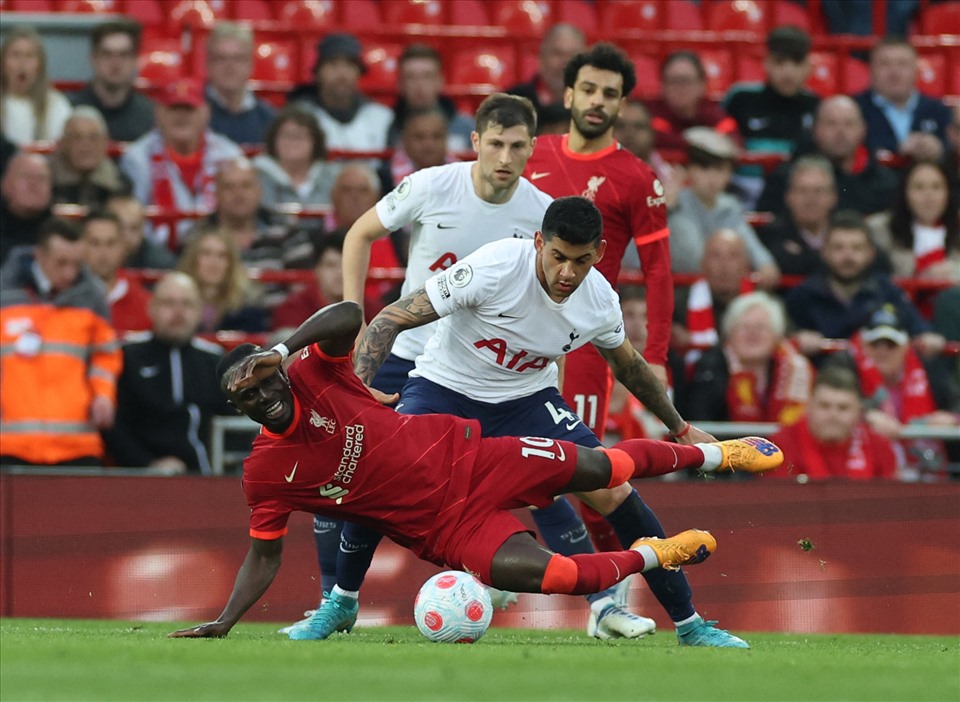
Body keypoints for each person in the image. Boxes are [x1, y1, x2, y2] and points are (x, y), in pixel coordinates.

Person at [167, 298, 783, 640]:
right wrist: (223, 622)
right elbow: (265, 554)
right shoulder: (264, 474)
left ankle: (718, 453)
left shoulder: (312, 372)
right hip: (445, 532)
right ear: (239, 410)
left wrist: (278, 350)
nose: (261, 399)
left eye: (262, 383)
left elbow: (350, 313)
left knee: (602, 468)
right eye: (246, 399)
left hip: (472, 459)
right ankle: (660, 554)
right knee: (560, 575)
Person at [331, 196, 760, 649]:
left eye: (581, 260)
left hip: (526, 400)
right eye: (557, 257)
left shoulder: (598, 300)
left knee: (612, 487)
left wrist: (679, 428)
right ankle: (340, 601)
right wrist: (356, 393)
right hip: (446, 389)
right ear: (539, 243)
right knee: (380, 471)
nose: (567, 273)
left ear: (599, 253)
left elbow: (629, 366)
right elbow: (390, 319)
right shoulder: (494, 266)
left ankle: (690, 624)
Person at [294, 93, 569, 638]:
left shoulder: (542, 212)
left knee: (550, 475)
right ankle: (334, 599)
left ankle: (602, 601)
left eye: (517, 146)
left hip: (492, 374)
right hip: (408, 357)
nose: (505, 157)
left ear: (533, 149)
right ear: (475, 143)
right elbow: (359, 234)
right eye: (495, 143)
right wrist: (354, 318)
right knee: (348, 469)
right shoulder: (430, 185)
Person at [0, 218, 121, 466]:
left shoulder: (91, 298)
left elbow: (105, 355)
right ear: (39, 256)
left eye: (76, 264)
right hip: (11, 443)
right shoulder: (5, 296)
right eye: (61, 263)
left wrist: (104, 396)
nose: (69, 273)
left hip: (76, 444)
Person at [103, 272, 232, 474]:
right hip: (138, 477)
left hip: (207, 477)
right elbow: (115, 426)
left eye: (187, 304)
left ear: (199, 311)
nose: (178, 312)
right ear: (151, 309)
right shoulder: (128, 356)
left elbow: (231, 425)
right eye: (169, 303)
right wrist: (148, 465)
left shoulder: (215, 361)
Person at [785, 211, 946, 360]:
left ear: (871, 253)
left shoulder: (887, 292)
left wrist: (928, 337)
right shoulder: (802, 295)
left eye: (857, 248)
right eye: (838, 248)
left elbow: (920, 329)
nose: (848, 256)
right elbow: (783, 340)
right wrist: (797, 339)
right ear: (824, 252)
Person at [825, 304, 959, 480]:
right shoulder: (844, 365)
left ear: (906, 347)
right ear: (863, 344)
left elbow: (956, 405)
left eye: (891, 344)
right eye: (875, 344)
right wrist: (863, 416)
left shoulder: (929, 369)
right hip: (864, 471)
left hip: (925, 471)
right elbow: (826, 406)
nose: (882, 351)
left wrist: (951, 419)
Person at [120, 78, 243, 250]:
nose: (182, 117)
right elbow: (134, 218)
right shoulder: (137, 158)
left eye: (189, 109)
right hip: (158, 253)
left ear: (205, 112)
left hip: (217, 250)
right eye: (174, 109)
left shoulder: (229, 155)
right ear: (159, 112)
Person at [667, 127, 780, 288]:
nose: (712, 178)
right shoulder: (676, 205)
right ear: (690, 169)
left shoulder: (730, 205)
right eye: (704, 168)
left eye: (720, 170)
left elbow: (749, 242)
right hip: (682, 289)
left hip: (717, 287)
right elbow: (694, 262)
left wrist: (765, 264)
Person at [682, 291, 813, 427]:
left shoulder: (796, 367)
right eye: (744, 327)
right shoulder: (708, 368)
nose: (752, 334)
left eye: (761, 328)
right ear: (729, 333)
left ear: (776, 336)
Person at [723, 25, 820, 207]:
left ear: (808, 67)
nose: (788, 71)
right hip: (740, 194)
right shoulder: (740, 98)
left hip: (798, 196)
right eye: (780, 62)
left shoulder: (817, 106)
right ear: (766, 63)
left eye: (796, 63)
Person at [757, 96, 899, 217]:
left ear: (863, 130)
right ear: (815, 129)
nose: (840, 132)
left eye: (849, 124)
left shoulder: (884, 182)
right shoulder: (786, 178)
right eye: (831, 123)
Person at [184, 158, 314, 276]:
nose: (238, 194)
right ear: (216, 194)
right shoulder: (197, 236)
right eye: (229, 187)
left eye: (246, 186)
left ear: (259, 190)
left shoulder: (287, 231)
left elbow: (301, 286)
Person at [771, 366, 898, 481]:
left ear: (859, 412)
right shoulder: (780, 447)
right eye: (824, 406)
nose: (833, 415)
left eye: (843, 408)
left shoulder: (879, 448)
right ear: (808, 406)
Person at [289, 33, 392, 156]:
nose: (342, 74)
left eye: (349, 65)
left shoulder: (381, 117)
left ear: (359, 72)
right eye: (333, 64)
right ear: (318, 72)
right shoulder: (299, 116)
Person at [853, 36, 951, 163]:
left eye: (902, 64)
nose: (894, 72)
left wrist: (939, 149)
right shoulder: (855, 110)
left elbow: (952, 153)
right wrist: (897, 150)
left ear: (916, 70)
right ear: (870, 70)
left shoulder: (939, 110)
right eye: (885, 64)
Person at [672, 229, 757, 371]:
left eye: (733, 256)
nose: (724, 266)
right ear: (702, 264)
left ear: (746, 265)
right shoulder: (678, 303)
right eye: (716, 256)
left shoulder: (761, 305)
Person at [870, 159, 959, 280]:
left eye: (936, 187)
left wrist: (953, 271)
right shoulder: (879, 229)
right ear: (905, 193)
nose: (928, 195)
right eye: (919, 187)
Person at [68, 19, 155, 142]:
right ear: (94, 59)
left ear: (135, 60)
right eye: (107, 54)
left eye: (124, 55)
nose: (115, 63)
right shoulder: (69, 110)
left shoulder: (149, 116)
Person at [758, 155, 839, 277]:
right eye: (802, 191)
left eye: (819, 191)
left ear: (833, 197)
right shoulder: (771, 235)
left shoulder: (846, 232)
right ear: (788, 197)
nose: (810, 200)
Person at [177, 228, 268, 333]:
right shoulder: (177, 303)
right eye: (206, 254)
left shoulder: (248, 307)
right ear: (193, 259)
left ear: (231, 264)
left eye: (222, 256)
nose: (214, 262)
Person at [647, 51, 740, 154]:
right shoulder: (648, 116)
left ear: (702, 84)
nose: (679, 88)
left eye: (686, 80)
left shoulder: (716, 116)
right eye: (673, 81)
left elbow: (734, 145)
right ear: (662, 85)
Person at [388, 43, 473, 152]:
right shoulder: (387, 126)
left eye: (427, 76)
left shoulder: (466, 127)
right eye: (411, 77)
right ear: (400, 84)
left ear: (440, 81)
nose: (419, 85)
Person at [253, 106, 336, 214]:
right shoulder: (256, 176)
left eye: (299, 136)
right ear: (273, 140)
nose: (292, 142)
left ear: (315, 142)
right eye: (286, 136)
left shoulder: (331, 177)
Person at [204, 22, 276, 146]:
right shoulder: (191, 116)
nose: (230, 66)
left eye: (238, 59)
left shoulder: (269, 119)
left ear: (251, 65)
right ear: (208, 64)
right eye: (221, 58)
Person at [80, 210, 151, 333]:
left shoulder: (145, 304)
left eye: (110, 243)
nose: (103, 253)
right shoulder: (65, 300)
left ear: (123, 247)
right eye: (95, 243)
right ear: (80, 246)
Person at [0, 26, 72, 147]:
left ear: (40, 65)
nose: (22, 63)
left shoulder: (56, 104)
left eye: (29, 56)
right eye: (15, 55)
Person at [506, 23, 586, 127]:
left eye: (573, 55)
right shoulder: (512, 102)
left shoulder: (594, 104)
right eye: (557, 53)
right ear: (542, 57)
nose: (565, 62)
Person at [51, 106, 130, 210]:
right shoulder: (47, 181)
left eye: (94, 138)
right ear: (63, 143)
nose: (85, 146)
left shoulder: (120, 184)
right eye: (77, 137)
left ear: (105, 142)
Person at [272, 232, 344, 330]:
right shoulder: (293, 310)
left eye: (346, 265)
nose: (339, 273)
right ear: (316, 269)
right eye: (330, 265)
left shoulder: (366, 309)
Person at [383, 106, 457, 188]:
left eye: (436, 136)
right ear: (404, 140)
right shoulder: (384, 178)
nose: (429, 144)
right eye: (419, 137)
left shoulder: (463, 175)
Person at [0, 151, 52, 264]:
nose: (33, 185)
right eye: (25, 176)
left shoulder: (61, 231)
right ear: (5, 185)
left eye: (41, 178)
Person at [105, 193, 177, 270]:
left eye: (134, 228)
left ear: (142, 229)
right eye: (120, 228)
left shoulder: (160, 267)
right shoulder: (92, 260)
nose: (126, 236)